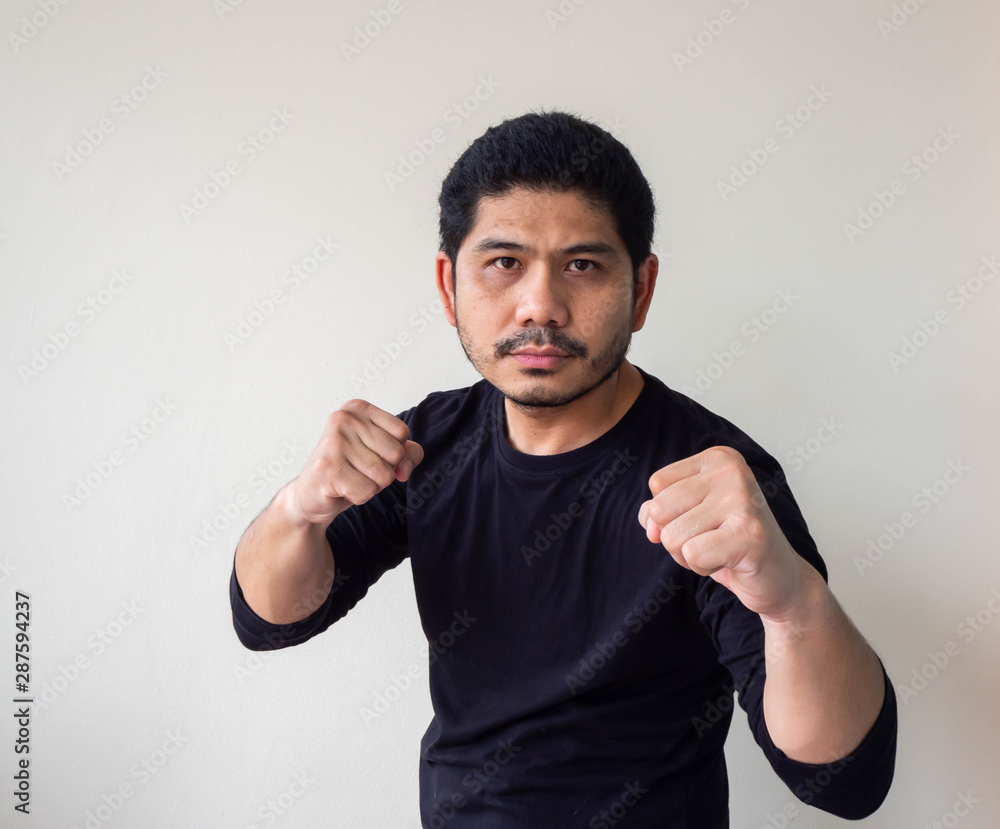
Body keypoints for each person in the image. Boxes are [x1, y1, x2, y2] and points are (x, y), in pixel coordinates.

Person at [229, 110, 897, 827]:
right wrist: (301, 507)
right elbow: (268, 620)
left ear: (640, 290)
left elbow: (843, 781)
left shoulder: (713, 482)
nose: (540, 304)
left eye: (582, 264)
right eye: (504, 262)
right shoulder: (427, 442)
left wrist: (795, 601)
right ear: (449, 284)